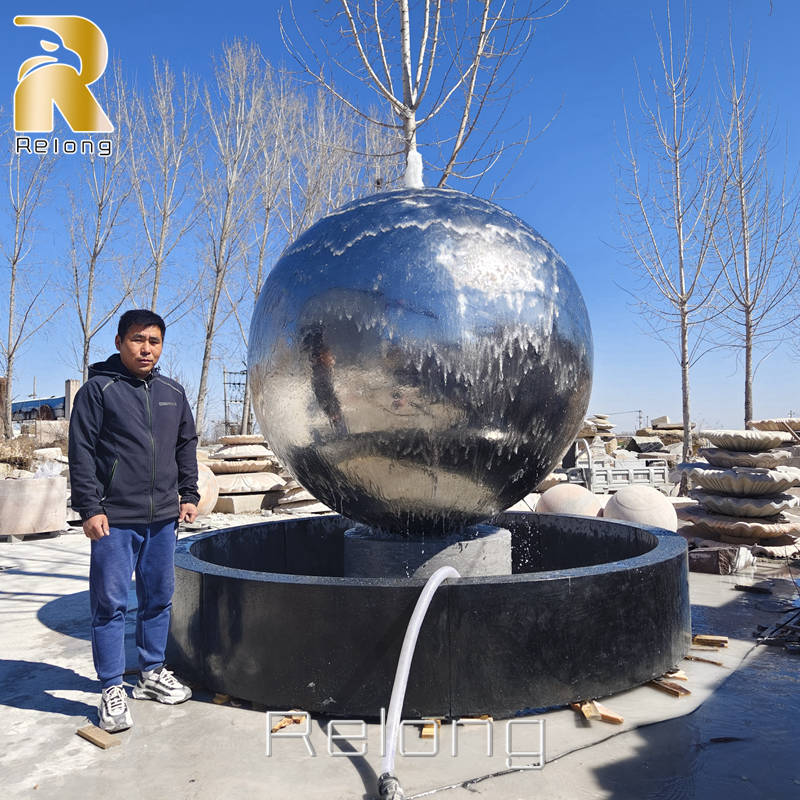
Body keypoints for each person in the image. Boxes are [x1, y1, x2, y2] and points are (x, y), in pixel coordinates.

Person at [68, 309, 200, 733]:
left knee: (158, 597)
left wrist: (189, 494)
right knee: (109, 605)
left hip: (163, 517)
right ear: (120, 341)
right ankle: (111, 686)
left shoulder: (172, 391)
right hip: (114, 518)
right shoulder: (98, 391)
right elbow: (82, 452)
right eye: (138, 340)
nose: (147, 349)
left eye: (154, 342)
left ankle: (150, 673)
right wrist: (89, 508)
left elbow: (185, 445)